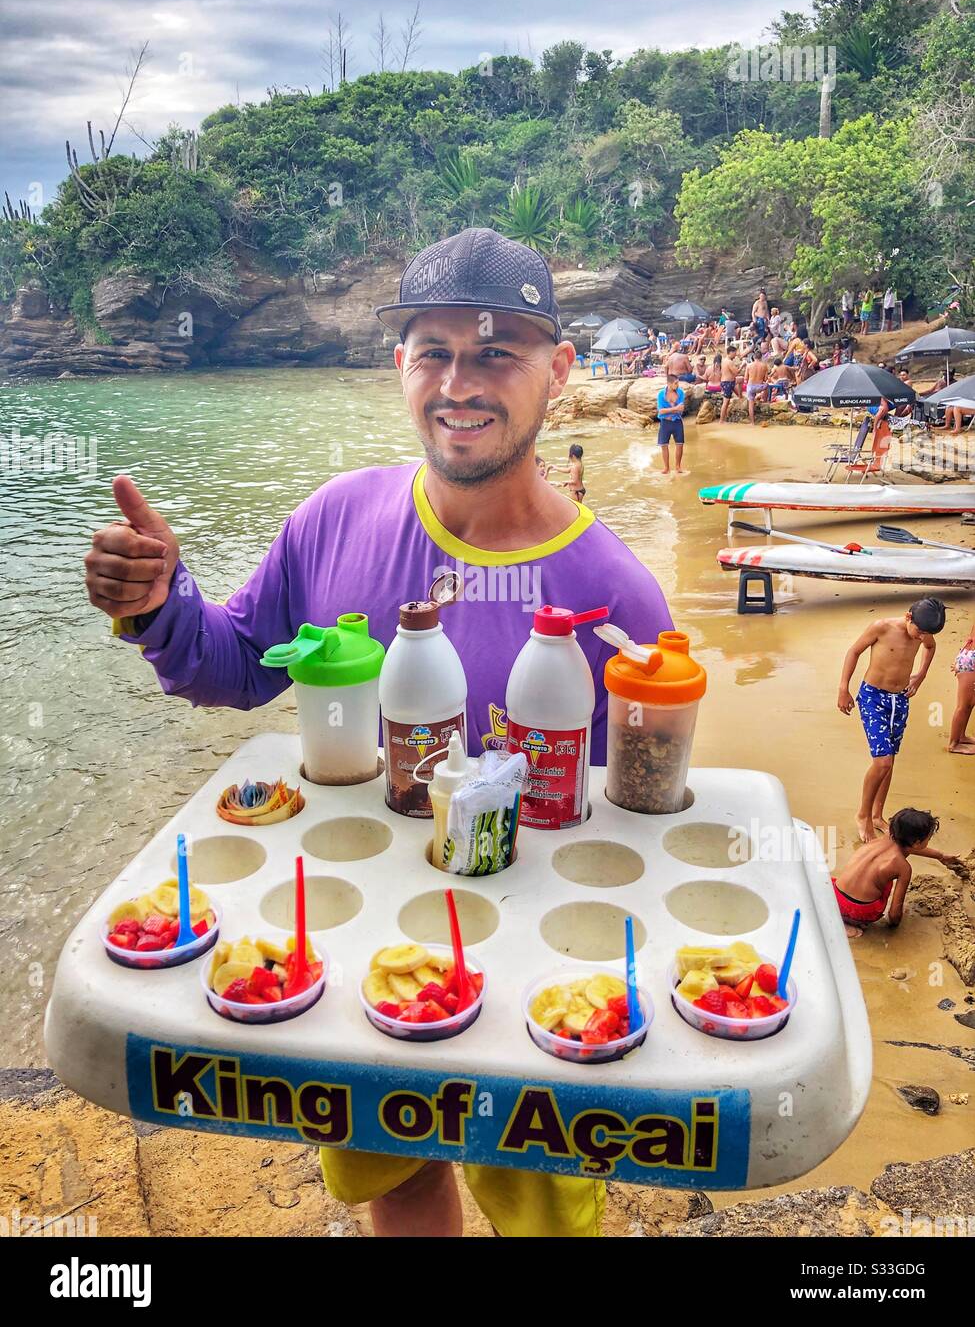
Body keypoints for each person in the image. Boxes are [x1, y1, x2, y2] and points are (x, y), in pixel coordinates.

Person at [83, 226, 673, 1240]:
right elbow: (234, 662)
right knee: (395, 1181)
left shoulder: (614, 599)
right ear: (398, 364)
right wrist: (157, 605)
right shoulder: (334, 520)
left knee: (546, 1215)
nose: (461, 381)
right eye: (432, 349)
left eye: (497, 351)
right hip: (370, 960)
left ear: (560, 372)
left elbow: (638, 841)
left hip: (536, 975)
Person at [837, 598, 945, 841]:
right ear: (908, 617)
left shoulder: (923, 633)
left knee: (890, 761)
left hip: (899, 700)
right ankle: (863, 815)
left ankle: (877, 815)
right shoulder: (882, 627)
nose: (921, 637)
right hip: (873, 697)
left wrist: (920, 676)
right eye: (919, 631)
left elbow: (930, 647)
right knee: (882, 762)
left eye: (926, 634)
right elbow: (854, 651)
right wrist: (843, 689)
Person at [832, 809, 959, 939]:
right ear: (917, 843)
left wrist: (940, 856)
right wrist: (894, 924)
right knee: (886, 882)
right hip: (860, 912)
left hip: (833, 898)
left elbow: (906, 848)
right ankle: (849, 923)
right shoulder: (903, 867)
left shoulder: (878, 840)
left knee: (854, 877)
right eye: (928, 838)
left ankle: (836, 918)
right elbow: (894, 914)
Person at [949, 617, 975, 754]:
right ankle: (953, 744)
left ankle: (961, 736)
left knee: (969, 704)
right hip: (971, 661)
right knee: (963, 706)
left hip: (968, 656)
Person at [656, 376, 688, 475]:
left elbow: (681, 409)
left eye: (678, 383)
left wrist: (669, 410)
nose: (678, 385)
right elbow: (660, 411)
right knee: (664, 445)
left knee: (680, 444)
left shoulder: (680, 393)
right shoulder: (661, 394)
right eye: (676, 383)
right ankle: (666, 467)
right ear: (669, 384)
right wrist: (675, 409)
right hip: (665, 422)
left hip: (677, 421)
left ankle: (678, 466)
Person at [742, 352, 770, 423]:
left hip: (751, 386)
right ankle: (764, 400)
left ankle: (752, 422)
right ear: (761, 358)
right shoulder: (764, 366)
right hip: (760, 387)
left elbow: (745, 378)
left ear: (754, 357)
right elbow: (765, 378)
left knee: (751, 405)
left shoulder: (749, 365)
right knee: (767, 386)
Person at [718, 351, 741, 421]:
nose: (735, 356)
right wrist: (742, 366)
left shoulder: (724, 361)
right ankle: (721, 420)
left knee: (728, 401)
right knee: (726, 402)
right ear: (730, 353)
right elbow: (736, 372)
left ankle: (724, 418)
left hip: (728, 382)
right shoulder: (729, 362)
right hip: (727, 383)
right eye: (734, 353)